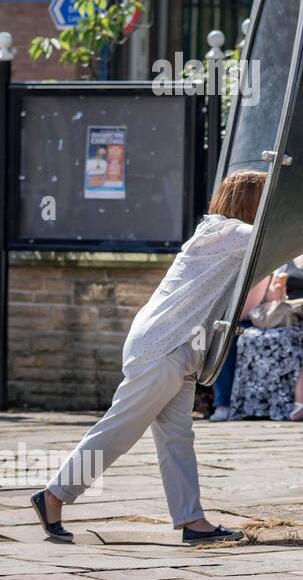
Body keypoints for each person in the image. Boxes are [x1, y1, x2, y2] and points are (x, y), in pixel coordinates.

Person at [30, 169, 269, 546]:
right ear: (253, 203)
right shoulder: (227, 234)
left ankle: (192, 521)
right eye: (267, 200)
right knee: (118, 432)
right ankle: (54, 495)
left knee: (176, 439)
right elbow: (277, 240)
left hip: (175, 351)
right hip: (163, 349)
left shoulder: (219, 235)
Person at [227, 243, 303, 422]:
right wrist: (276, 292)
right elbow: (271, 297)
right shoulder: (290, 253)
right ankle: (252, 404)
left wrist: (295, 304)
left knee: (288, 338)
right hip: (281, 318)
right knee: (248, 337)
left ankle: (302, 403)